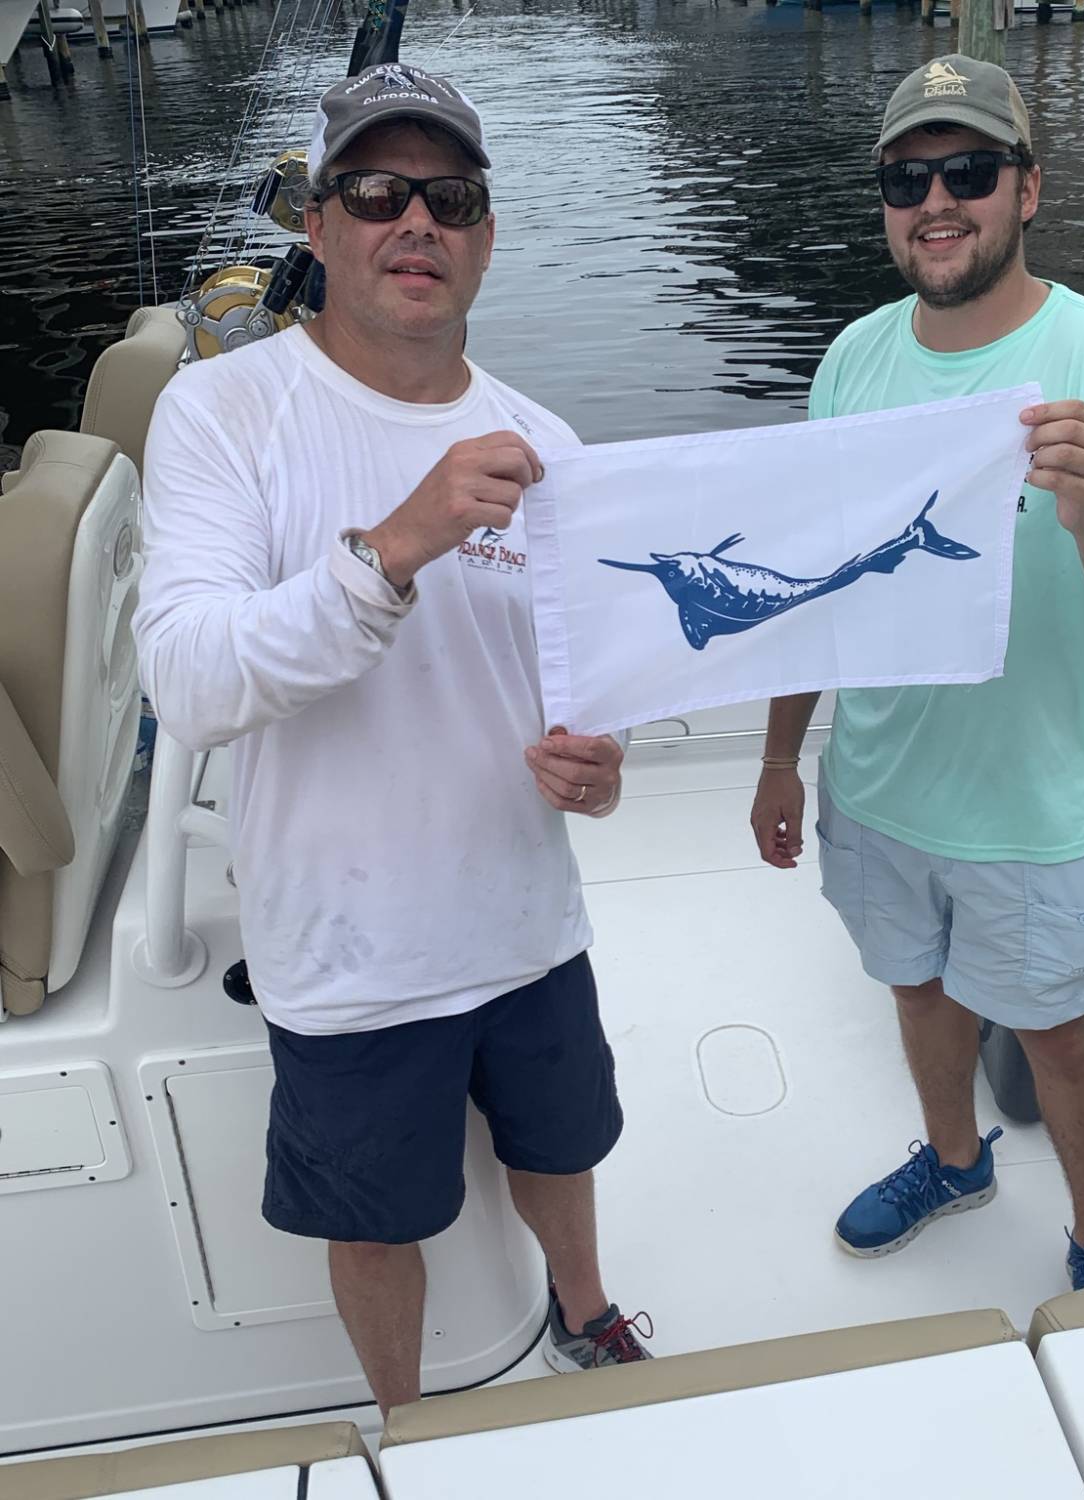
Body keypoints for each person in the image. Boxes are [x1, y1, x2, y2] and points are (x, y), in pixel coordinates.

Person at [134, 64, 652, 1416]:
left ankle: (586, 1313)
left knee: (561, 1144)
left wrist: (596, 767)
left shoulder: (548, 443)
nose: (412, 221)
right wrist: (399, 543)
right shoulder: (223, 415)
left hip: (527, 919)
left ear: (484, 235)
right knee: (374, 1219)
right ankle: (411, 1424)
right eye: (375, 191)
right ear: (319, 224)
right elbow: (190, 684)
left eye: (449, 196)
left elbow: (578, 691)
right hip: (345, 950)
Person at [750, 55, 1084, 1291]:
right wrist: (781, 756)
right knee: (915, 986)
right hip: (883, 785)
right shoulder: (851, 358)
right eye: (909, 176)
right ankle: (955, 1161)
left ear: (1027, 189)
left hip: (1035, 806)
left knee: (1063, 1035)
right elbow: (812, 583)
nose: (936, 200)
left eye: (968, 170)